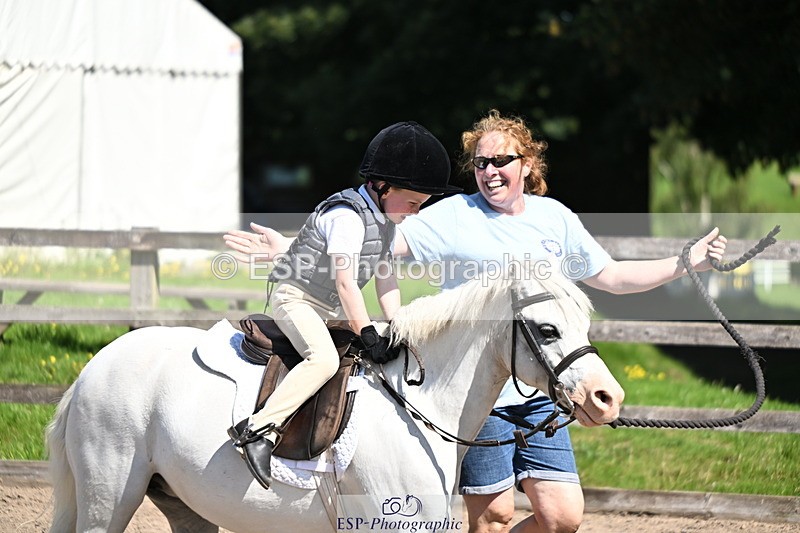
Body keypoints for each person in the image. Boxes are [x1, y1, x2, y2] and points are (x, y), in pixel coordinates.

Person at [225, 110, 727, 531]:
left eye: (501, 161)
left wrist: (688, 263)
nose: (489, 171)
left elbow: (613, 276)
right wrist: (293, 250)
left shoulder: (556, 219)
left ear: (527, 165)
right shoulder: (451, 216)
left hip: (541, 393)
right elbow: (369, 246)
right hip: (475, 394)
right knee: (493, 519)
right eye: (481, 162)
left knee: (563, 519)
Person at [227, 121, 460, 491]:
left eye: (422, 206)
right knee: (324, 360)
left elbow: (386, 280)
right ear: (382, 187)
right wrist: (366, 331)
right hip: (296, 299)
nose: (416, 212)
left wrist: (395, 326)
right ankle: (258, 430)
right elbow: (346, 282)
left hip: (329, 307)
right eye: (413, 203)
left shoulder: (386, 223)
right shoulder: (347, 216)